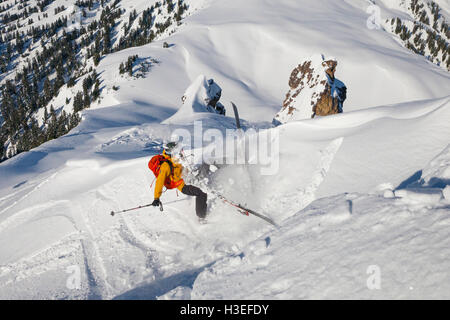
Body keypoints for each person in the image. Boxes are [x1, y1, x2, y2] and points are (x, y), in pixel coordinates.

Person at [148, 142, 208, 222]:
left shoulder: (177, 158)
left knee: (203, 166)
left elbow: (184, 168)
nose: (179, 151)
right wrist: (156, 198)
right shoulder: (165, 166)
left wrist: (190, 171)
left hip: (187, 178)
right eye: (176, 149)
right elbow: (159, 181)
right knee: (201, 193)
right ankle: (201, 218)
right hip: (182, 185)